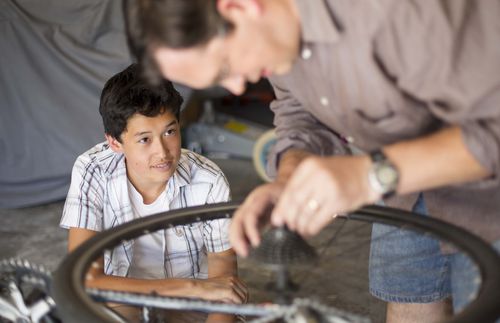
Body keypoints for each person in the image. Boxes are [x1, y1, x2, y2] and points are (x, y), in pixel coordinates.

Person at [124, 1, 500, 322]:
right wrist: (290, 176)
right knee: (409, 301)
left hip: (488, 203)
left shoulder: (395, 13)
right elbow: (299, 110)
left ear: (240, 7)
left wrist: (371, 175)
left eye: (225, 67)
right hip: (405, 191)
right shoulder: (276, 38)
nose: (238, 87)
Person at [60, 63, 248, 322]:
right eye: (144, 139)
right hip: (124, 297)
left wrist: (197, 293)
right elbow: (86, 279)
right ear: (114, 142)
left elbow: (223, 280)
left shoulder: (208, 179)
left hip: (194, 304)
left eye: (170, 132)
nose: (163, 152)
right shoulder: (92, 169)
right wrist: (189, 286)